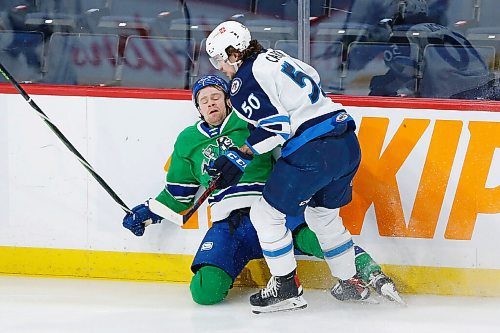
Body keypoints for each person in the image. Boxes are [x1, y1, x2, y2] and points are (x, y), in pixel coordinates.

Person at [122, 74, 402, 307]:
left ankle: (368, 273)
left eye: (215, 97)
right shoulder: (188, 141)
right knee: (205, 292)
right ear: (197, 108)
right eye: (203, 100)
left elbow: (289, 155)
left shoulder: (254, 123)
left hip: (272, 208)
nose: (210, 103)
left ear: (228, 100)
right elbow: (178, 192)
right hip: (229, 225)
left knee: (318, 237)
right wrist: (148, 212)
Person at [204, 20, 385, 313]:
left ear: (234, 53)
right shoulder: (278, 57)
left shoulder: (244, 81)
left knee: (265, 216)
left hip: (312, 150)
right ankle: (350, 281)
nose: (220, 68)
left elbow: (276, 127)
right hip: (346, 142)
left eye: (219, 60)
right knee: (323, 216)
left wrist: (240, 155)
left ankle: (286, 287)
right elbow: (311, 77)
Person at [369, 0, 499, 100]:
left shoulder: (405, 35)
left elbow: (407, 72)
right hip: (485, 89)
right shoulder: (446, 30)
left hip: (456, 95)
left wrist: (382, 86)